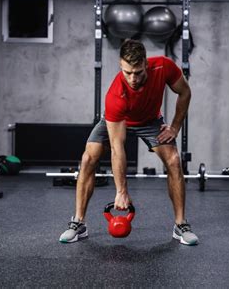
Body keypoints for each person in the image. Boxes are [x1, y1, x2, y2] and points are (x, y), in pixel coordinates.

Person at [59, 39, 198, 245]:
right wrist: (121, 191)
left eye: (138, 72)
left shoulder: (163, 66)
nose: (132, 78)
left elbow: (184, 92)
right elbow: (117, 148)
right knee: (89, 157)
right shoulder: (116, 95)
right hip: (117, 119)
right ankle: (78, 222)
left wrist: (175, 127)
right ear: (120, 65)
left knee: (174, 160)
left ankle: (180, 225)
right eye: (127, 72)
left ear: (146, 64)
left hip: (150, 121)